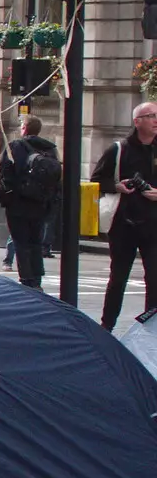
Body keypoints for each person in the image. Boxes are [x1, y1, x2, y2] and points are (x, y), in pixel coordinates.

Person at [93, 102, 157, 329]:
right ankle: (107, 326)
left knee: (154, 279)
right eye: (151, 116)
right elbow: (96, 180)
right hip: (124, 224)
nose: (155, 120)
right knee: (118, 279)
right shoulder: (119, 149)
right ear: (137, 121)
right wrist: (117, 186)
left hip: (153, 224)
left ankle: (150, 329)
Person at [0, 114, 60, 291]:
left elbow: (3, 173)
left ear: (24, 128)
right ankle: (37, 279)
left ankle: (27, 280)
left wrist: (6, 198)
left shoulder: (15, 146)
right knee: (36, 242)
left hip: (19, 204)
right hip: (41, 204)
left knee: (21, 242)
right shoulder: (51, 149)